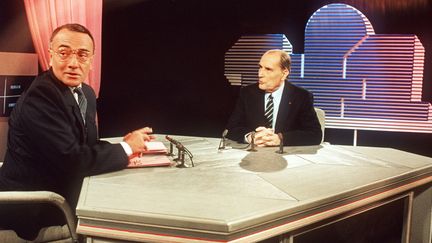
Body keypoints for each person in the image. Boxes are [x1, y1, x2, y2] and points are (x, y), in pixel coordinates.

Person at [0, 23, 152, 239]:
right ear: (51, 55)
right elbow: (73, 160)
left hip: (62, 192)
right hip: (35, 207)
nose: (73, 63)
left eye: (82, 55)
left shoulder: (86, 93)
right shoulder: (41, 96)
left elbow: (83, 146)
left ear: (91, 60)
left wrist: (126, 150)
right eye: (64, 53)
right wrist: (125, 149)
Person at [226, 49, 322, 146]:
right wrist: (250, 137)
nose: (260, 74)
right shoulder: (247, 93)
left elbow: (314, 135)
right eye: (260, 67)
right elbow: (231, 128)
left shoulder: (301, 96)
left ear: (284, 73)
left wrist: (280, 139)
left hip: (286, 156)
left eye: (268, 69)